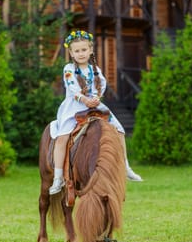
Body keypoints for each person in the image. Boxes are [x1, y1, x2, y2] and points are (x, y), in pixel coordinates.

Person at [49, 30, 143, 195]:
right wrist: (84, 99)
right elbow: (71, 85)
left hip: (94, 104)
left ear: (90, 50)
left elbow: (102, 84)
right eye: (76, 51)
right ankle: (58, 177)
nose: (81, 53)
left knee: (119, 130)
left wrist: (97, 97)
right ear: (71, 53)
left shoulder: (95, 69)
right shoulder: (69, 68)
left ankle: (125, 165)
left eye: (84, 50)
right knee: (62, 137)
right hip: (75, 106)